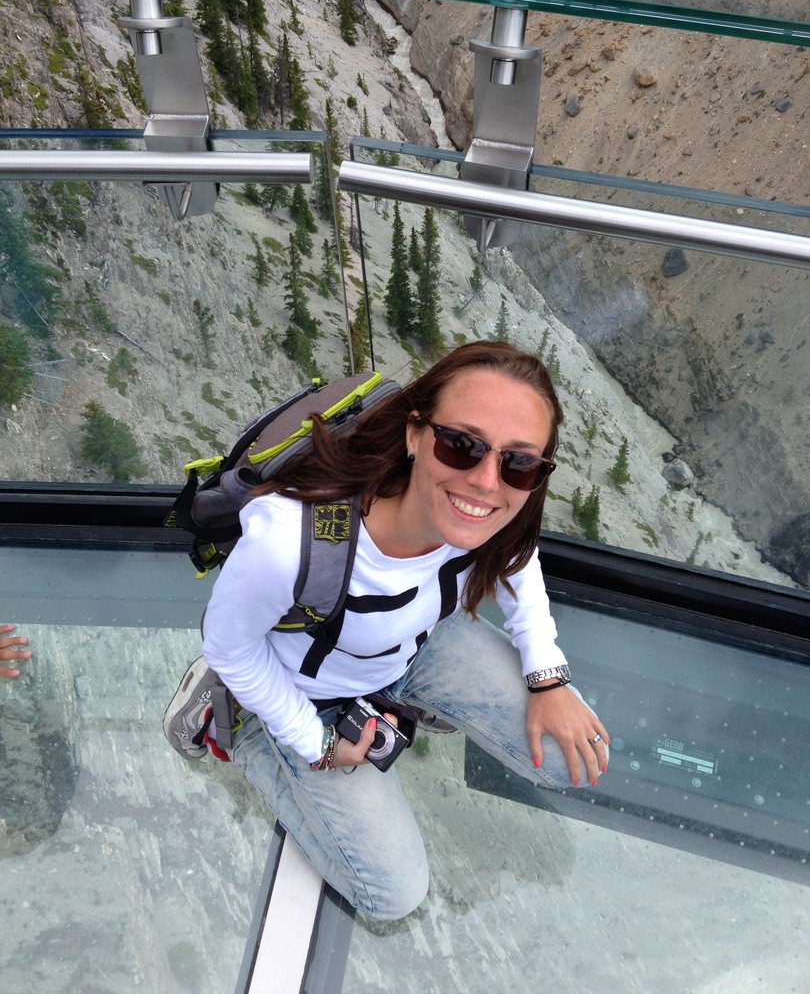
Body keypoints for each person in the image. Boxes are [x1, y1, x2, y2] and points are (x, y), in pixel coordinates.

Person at [165, 341, 609, 920]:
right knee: (392, 898)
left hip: (414, 643)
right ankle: (234, 724)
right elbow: (228, 644)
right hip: (309, 688)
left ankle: (396, 696)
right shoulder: (292, 542)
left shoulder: (496, 509)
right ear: (415, 435)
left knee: (567, 758)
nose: (485, 482)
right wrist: (314, 741)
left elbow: (519, 562)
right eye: (461, 445)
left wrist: (547, 676)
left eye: (520, 462)